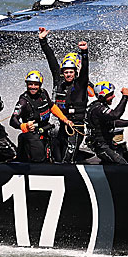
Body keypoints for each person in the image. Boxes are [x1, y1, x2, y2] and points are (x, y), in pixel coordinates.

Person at [38, 27, 89, 163]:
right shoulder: (59, 81)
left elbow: (85, 71)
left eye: (71, 72)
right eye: (66, 72)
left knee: (68, 159)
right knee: (56, 155)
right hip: (61, 125)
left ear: (75, 72)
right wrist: (43, 41)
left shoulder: (81, 84)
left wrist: (84, 52)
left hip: (76, 127)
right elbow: (51, 60)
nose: (68, 74)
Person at [10, 70, 72, 162]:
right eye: (30, 84)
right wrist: (24, 126)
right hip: (33, 134)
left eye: (36, 84)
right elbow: (12, 120)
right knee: (40, 159)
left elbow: (52, 106)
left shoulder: (43, 93)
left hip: (46, 129)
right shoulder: (23, 101)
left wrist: (64, 119)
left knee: (59, 150)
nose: (33, 87)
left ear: (40, 85)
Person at [85, 81, 128, 164]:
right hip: (101, 146)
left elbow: (113, 122)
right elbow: (115, 115)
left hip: (105, 144)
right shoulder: (98, 109)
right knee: (122, 164)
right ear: (102, 96)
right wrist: (125, 97)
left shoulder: (99, 106)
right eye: (110, 95)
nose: (113, 96)